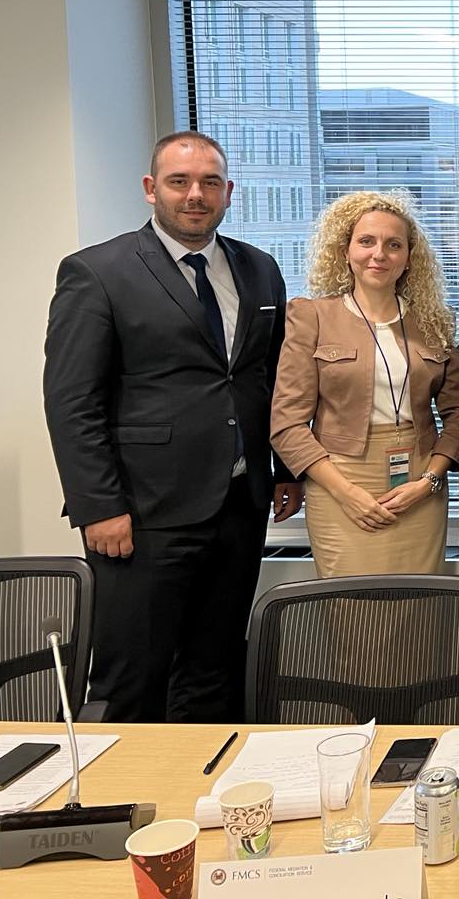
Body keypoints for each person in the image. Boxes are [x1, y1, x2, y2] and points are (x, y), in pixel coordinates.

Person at [43, 132, 302, 722]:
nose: (195, 195)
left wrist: (283, 469)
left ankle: (202, 778)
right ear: (150, 188)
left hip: (239, 505)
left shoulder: (259, 269)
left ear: (228, 191)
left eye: (210, 182)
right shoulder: (97, 272)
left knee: (215, 669)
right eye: (179, 181)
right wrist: (97, 506)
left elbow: (270, 379)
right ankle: (119, 781)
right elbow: (71, 400)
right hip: (142, 513)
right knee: (132, 676)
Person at [270, 191, 459, 577]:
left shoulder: (435, 322)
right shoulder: (312, 317)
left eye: (394, 245)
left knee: (418, 603)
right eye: (366, 241)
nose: (379, 254)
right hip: (339, 483)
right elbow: (287, 424)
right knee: (352, 606)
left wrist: (429, 480)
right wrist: (347, 494)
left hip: (419, 485)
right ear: (345, 251)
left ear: (409, 257)